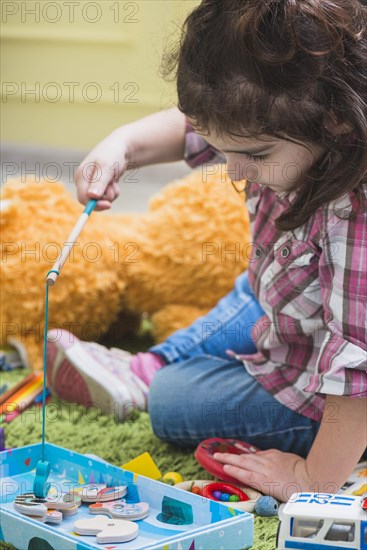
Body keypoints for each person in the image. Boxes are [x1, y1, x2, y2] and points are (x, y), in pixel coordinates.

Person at [47, 0, 367, 502]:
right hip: (298, 312)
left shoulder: (356, 216)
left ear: (336, 123)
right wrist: (123, 145)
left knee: (176, 401)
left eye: (254, 155)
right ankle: (142, 368)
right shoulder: (277, 125)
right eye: (222, 148)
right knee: (250, 291)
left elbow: (358, 371)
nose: (233, 171)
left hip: (337, 397)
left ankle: (154, 381)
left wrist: (314, 481)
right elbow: (186, 128)